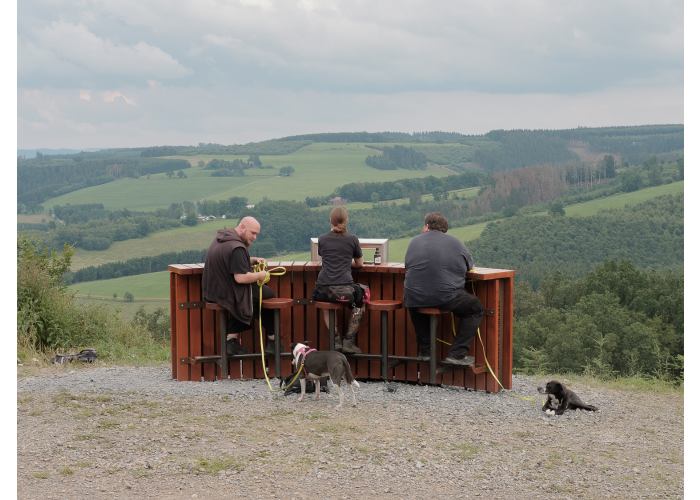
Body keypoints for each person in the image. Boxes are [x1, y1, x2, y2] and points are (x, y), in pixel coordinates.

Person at [403, 212, 483, 365]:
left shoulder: (413, 242)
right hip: (445, 296)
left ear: (426, 226)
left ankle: (425, 352)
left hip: (413, 297)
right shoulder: (456, 242)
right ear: (444, 229)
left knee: (415, 302)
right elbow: (470, 266)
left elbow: (408, 266)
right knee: (475, 308)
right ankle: (457, 354)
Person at [202, 216, 276, 356]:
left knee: (258, 297)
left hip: (213, 291)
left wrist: (251, 260)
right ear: (242, 227)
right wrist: (261, 275)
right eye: (252, 233)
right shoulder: (237, 247)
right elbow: (241, 278)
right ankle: (272, 340)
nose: (254, 237)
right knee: (266, 297)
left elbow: (230, 261)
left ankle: (232, 340)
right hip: (225, 293)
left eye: (256, 234)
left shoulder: (223, 239)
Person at [311, 206, 366, 354]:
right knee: (360, 302)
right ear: (346, 221)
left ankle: (335, 341)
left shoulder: (322, 239)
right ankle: (348, 341)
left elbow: (327, 258)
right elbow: (359, 264)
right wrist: (348, 262)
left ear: (331, 221)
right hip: (345, 288)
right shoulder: (352, 239)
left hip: (323, 287)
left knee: (327, 306)